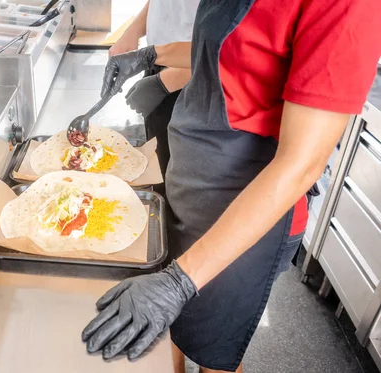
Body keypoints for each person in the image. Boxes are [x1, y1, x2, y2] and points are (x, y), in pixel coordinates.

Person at [81, 0, 381, 372]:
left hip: (246, 218)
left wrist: (178, 281)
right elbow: (228, 51)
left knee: (212, 355)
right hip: (187, 188)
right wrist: (150, 55)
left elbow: (300, 164)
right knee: (163, 335)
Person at [108, 0, 198, 184]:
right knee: (160, 170)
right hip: (160, 64)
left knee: (180, 184)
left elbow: (233, 45)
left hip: (195, 81)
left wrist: (164, 82)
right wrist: (131, 34)